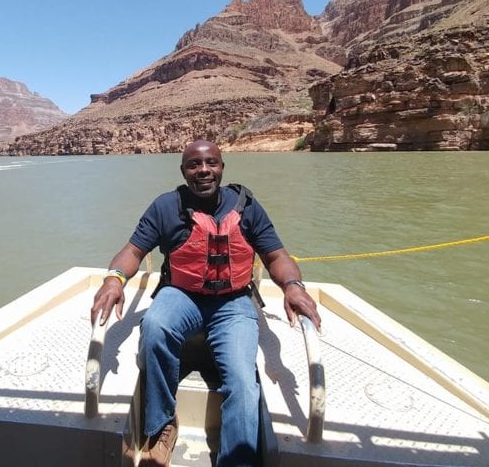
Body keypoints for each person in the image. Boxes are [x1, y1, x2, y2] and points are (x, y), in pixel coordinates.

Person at [90, 140, 320, 467]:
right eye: (194, 165)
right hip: (181, 295)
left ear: (222, 167)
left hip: (233, 303)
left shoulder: (246, 205)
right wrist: (114, 278)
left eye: (211, 163)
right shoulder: (165, 207)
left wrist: (293, 286)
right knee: (154, 328)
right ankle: (162, 425)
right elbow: (133, 251)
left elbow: (276, 255)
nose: (203, 171)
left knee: (242, 378)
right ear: (183, 171)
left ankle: (236, 456)